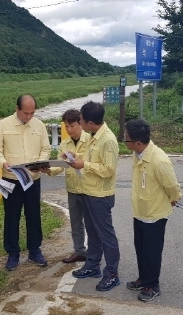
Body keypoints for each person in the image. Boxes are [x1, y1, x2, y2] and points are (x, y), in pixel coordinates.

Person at [0, 94, 52, 271]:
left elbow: (46, 148)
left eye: (32, 113)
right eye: (25, 113)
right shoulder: (3, 125)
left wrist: (40, 162)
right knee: (12, 216)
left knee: (33, 215)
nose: (29, 117)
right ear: (17, 109)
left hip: (32, 179)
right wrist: (3, 163)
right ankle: (13, 253)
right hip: (12, 179)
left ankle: (34, 250)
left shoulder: (39, 125)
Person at [122, 119, 182, 302]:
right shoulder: (137, 154)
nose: (124, 142)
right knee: (140, 248)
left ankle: (152, 285)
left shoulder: (159, 160)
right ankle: (143, 278)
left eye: (126, 140)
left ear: (138, 143)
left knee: (152, 252)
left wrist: (174, 199)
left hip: (155, 215)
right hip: (140, 211)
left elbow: (172, 186)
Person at [67, 101, 120, 292]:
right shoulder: (93, 135)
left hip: (101, 195)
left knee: (107, 236)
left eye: (80, 119)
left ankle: (112, 274)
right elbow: (90, 158)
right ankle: (92, 265)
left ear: (89, 122)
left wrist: (85, 165)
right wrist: (76, 157)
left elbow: (109, 170)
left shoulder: (108, 140)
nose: (78, 122)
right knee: (93, 232)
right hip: (88, 191)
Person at [43, 109, 90, 264]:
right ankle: (79, 251)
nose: (69, 130)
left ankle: (94, 253)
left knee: (92, 223)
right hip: (73, 188)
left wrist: (77, 157)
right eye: (66, 126)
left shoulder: (90, 139)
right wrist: (49, 169)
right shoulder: (65, 143)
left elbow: (91, 160)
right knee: (76, 223)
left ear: (80, 124)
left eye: (72, 126)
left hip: (89, 188)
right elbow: (60, 166)